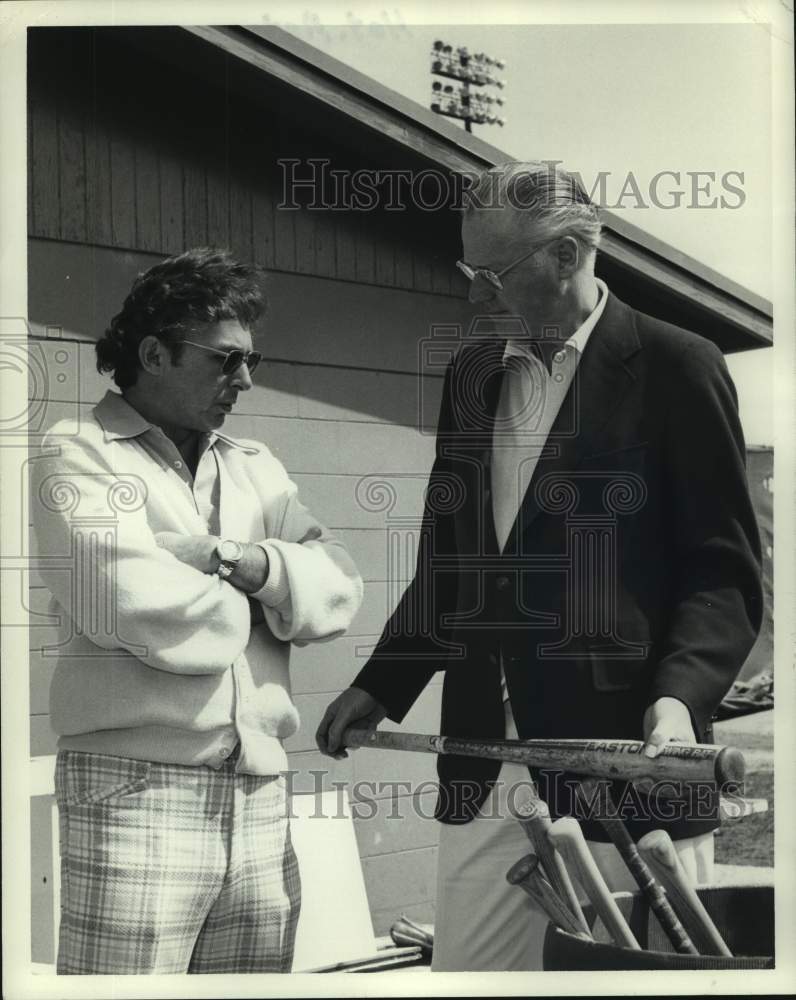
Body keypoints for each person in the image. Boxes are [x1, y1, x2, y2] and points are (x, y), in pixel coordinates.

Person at [316, 162, 762, 970]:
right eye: (468, 272)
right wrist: (380, 685)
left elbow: (722, 571)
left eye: (492, 274)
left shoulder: (678, 366)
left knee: (636, 982)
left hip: (629, 764)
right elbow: (451, 567)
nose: (474, 296)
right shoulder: (472, 379)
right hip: (485, 758)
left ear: (567, 257)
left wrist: (677, 699)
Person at [32, 247, 363, 974]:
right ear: (153, 353)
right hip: (136, 792)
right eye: (224, 359)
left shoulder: (256, 465)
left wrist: (236, 559)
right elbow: (126, 602)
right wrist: (275, 597)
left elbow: (339, 589)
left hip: (261, 797)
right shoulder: (78, 455)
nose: (244, 380)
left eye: (252, 359)